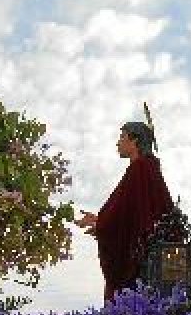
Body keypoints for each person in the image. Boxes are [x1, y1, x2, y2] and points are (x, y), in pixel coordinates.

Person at [74, 121, 174, 300]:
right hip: (151, 256)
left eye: (122, 137)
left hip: (142, 261)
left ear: (134, 141)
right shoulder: (148, 169)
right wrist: (101, 221)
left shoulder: (140, 169)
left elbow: (127, 212)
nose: (118, 142)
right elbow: (132, 213)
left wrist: (101, 224)